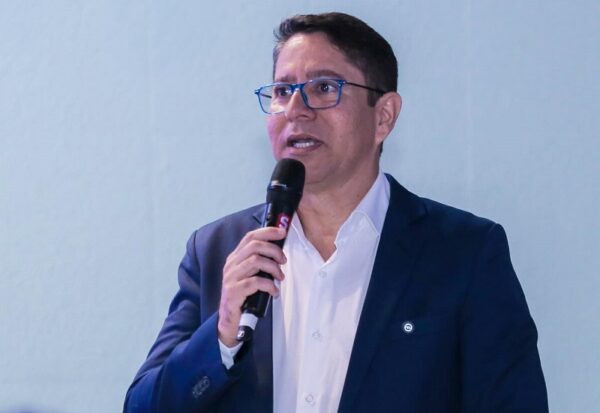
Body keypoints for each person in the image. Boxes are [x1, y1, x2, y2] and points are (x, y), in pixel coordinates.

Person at [124, 12, 548, 413]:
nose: (296, 109)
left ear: (384, 117)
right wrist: (221, 336)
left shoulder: (464, 253)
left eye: (324, 88)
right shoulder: (217, 250)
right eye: (282, 91)